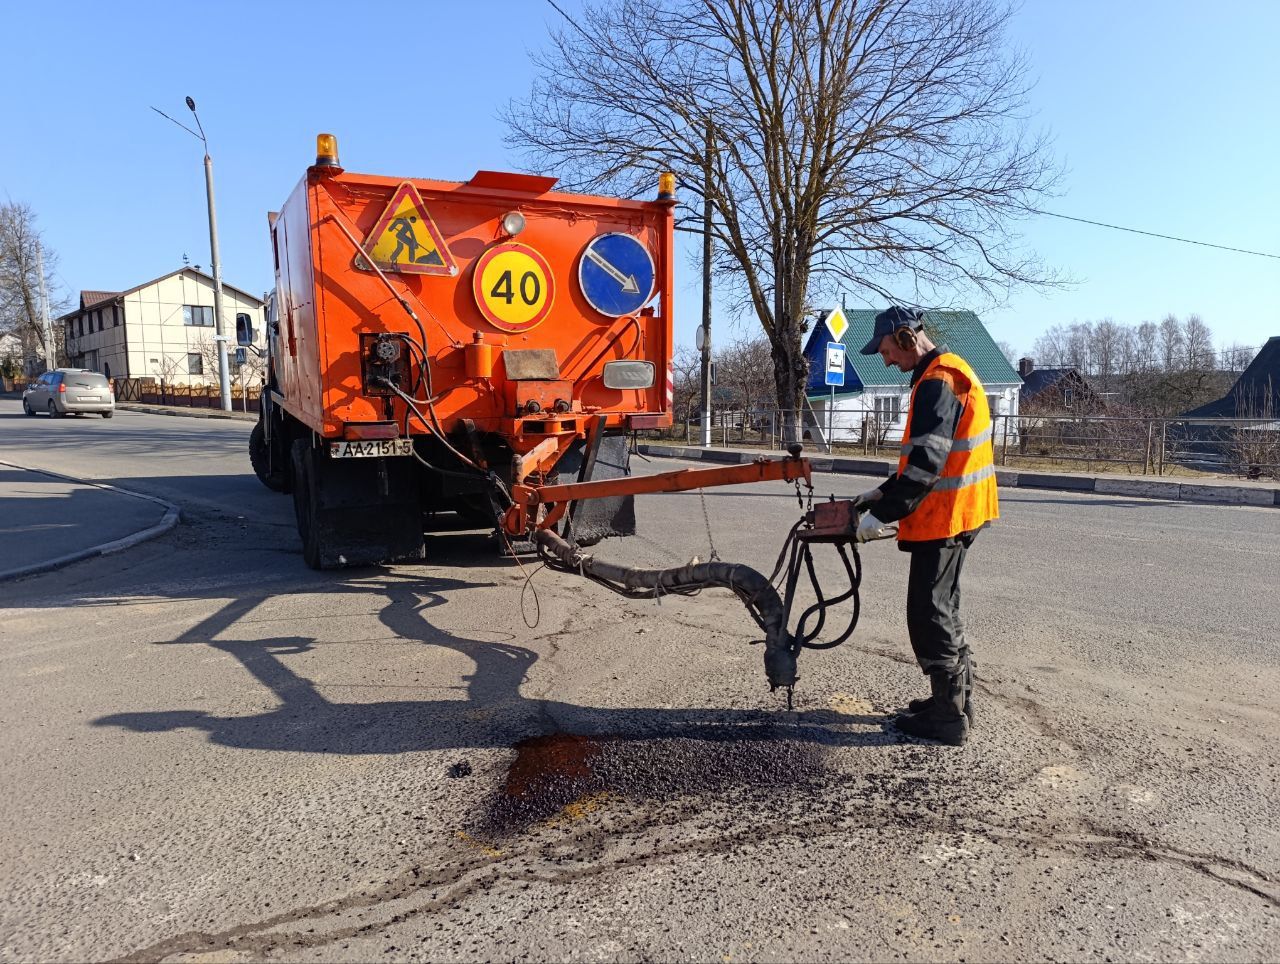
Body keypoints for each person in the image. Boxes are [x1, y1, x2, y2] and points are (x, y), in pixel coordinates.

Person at [853, 306, 999, 746]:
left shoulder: (938, 381)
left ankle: (946, 718)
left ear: (904, 337)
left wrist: (883, 515)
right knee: (944, 607)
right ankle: (956, 702)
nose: (885, 362)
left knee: (929, 611)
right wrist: (878, 494)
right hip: (959, 512)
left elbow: (926, 465)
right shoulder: (944, 373)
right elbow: (921, 459)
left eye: (885, 352)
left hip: (947, 514)